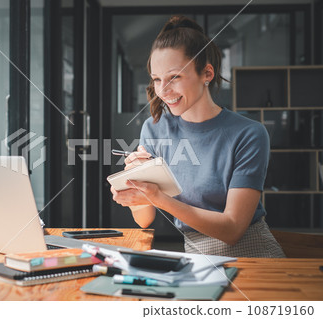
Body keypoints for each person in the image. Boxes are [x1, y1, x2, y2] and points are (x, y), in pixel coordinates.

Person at [110, 15, 285, 258]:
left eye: (174, 77)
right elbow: (144, 220)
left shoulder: (249, 134)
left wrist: (158, 197)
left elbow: (233, 229)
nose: (163, 91)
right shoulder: (155, 128)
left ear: (207, 73)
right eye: (157, 79)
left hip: (252, 254)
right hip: (196, 256)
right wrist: (136, 186)